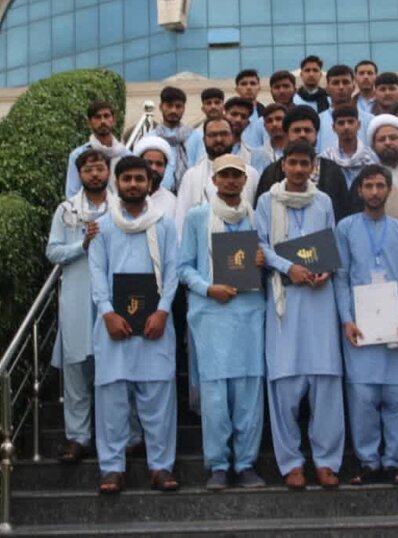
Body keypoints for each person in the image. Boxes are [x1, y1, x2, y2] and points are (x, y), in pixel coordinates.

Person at [89, 156, 180, 494]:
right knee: (112, 403)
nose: (132, 184)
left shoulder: (164, 224)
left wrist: (163, 310)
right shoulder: (102, 226)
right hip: (114, 325)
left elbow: (172, 270)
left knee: (158, 399)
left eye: (139, 179)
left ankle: (161, 466)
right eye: (126, 179)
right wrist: (107, 313)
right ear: (117, 183)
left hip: (155, 323)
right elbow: (97, 273)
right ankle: (112, 468)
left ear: (149, 183)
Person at [256, 140, 344, 490]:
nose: (297, 169)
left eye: (304, 163)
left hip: (319, 299)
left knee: (326, 379)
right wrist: (287, 267)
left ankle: (326, 460)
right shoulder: (267, 201)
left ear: (313, 166)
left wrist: (327, 269)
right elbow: (260, 246)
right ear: (283, 165)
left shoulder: (323, 202)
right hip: (285, 298)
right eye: (292, 163)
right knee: (285, 382)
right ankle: (291, 462)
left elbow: (331, 242)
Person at [177, 155, 267, 490]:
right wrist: (208, 288)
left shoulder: (256, 217)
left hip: (249, 314)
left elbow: (269, 260)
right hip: (212, 316)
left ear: (245, 180)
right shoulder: (198, 217)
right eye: (225, 175)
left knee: (248, 394)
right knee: (215, 397)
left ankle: (245, 463)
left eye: (237, 175)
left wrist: (263, 259)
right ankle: (217, 464)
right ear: (214, 180)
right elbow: (183, 267)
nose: (231, 181)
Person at [334, 165, 398, 486]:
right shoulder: (345, 228)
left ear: (389, 190)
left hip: (396, 321)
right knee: (363, 396)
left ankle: (393, 461)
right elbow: (341, 277)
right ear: (359, 190)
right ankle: (368, 461)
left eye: (380, 185)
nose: (374, 192)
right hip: (361, 322)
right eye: (368, 186)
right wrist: (346, 319)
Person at [47, 149, 109, 464]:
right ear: (79, 174)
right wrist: (82, 244)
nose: (95, 174)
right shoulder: (67, 211)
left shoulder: (120, 208)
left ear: (108, 172)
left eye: (100, 168)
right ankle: (78, 437)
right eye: (88, 170)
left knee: (112, 370)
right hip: (77, 298)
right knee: (76, 370)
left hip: (110, 298)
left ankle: (118, 436)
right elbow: (53, 252)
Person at [255, 105, 354, 222]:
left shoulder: (332, 171)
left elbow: (342, 215)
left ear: (316, 134)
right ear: (287, 135)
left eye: (307, 130)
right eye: (297, 130)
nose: (302, 134)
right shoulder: (271, 172)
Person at [176, 117, 260, 237]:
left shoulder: (251, 174)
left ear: (232, 137)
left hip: (243, 244)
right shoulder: (191, 176)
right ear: (204, 140)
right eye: (213, 135)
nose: (219, 139)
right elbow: (181, 220)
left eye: (224, 134)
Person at [65, 100, 130, 198]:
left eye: (106, 116)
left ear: (114, 120)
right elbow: (72, 193)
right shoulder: (77, 155)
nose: (103, 121)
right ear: (89, 122)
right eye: (97, 117)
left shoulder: (126, 155)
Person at [317, 64, 373, 153]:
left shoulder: (370, 120)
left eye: (345, 82)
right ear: (327, 89)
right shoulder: (318, 121)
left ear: (353, 87)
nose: (341, 87)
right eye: (336, 83)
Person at [146, 86, 193, 192]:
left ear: (184, 109)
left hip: (187, 194)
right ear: (161, 107)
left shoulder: (194, 137)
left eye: (178, 106)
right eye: (169, 105)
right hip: (156, 194)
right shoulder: (150, 139)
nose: (173, 110)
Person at [319, 105, 378, 188]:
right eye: (341, 123)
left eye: (350, 122)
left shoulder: (371, 157)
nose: (346, 127)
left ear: (359, 125)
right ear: (333, 128)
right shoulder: (325, 158)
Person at [133, 136, 178, 219]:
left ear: (165, 167)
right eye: (149, 163)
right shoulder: (125, 198)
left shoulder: (173, 203)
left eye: (159, 164)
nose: (154, 168)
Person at [185, 87, 227, 168]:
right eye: (208, 103)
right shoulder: (195, 135)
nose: (213, 106)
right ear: (203, 109)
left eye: (217, 102)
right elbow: (190, 164)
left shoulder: (231, 132)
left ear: (223, 106)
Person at [252, 103, 288, 174]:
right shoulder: (257, 154)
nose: (274, 124)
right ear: (264, 126)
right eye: (269, 121)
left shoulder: (298, 150)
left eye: (278, 119)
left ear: (288, 122)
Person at [235, 68, 267, 148]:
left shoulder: (266, 114)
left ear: (259, 88)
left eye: (253, 83)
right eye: (244, 84)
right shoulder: (228, 115)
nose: (249, 87)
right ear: (237, 89)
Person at [224, 96, 257, 164]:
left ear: (248, 123)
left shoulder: (254, 156)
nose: (238, 120)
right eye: (234, 114)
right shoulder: (205, 150)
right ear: (224, 116)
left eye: (243, 117)